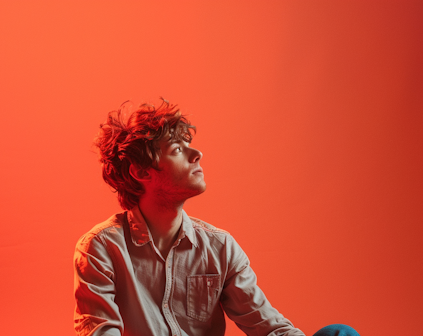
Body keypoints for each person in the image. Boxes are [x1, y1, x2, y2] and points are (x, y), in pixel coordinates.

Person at [73, 99, 359, 336]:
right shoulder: (101, 248)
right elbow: (100, 331)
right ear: (141, 172)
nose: (197, 154)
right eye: (177, 150)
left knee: (339, 334)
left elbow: (269, 328)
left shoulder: (220, 247)